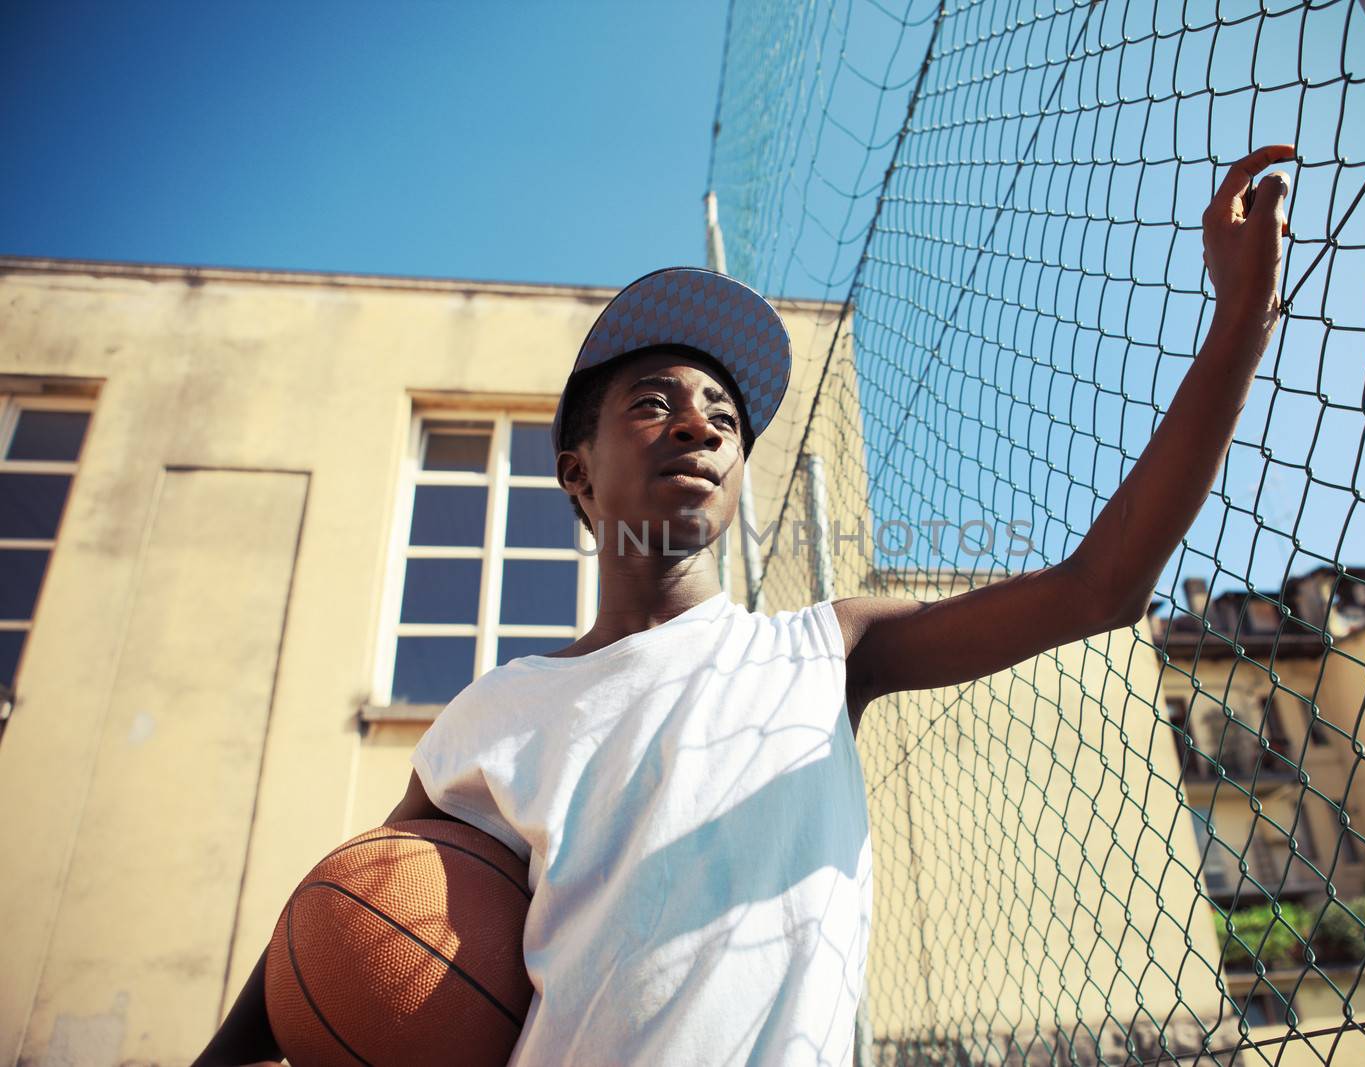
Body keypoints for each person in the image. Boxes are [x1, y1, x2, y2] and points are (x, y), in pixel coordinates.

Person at [192, 143, 1295, 1066]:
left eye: (722, 411)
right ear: (577, 472)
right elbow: (344, 906)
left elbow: (1098, 587)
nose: (700, 422)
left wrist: (1239, 316)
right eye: (653, 401)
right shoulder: (495, 711)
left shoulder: (827, 648)